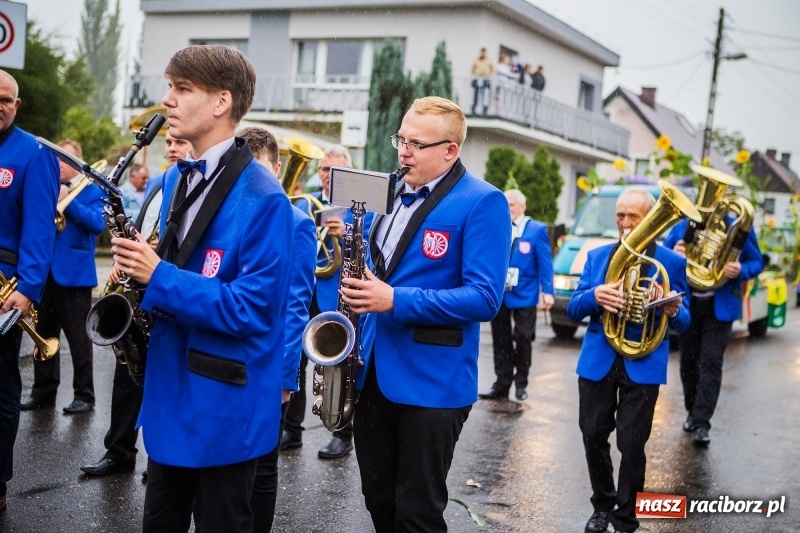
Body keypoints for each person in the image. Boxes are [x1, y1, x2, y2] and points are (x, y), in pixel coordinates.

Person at [110, 44, 294, 532]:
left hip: (223, 405)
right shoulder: (175, 179)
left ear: (221, 103)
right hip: (171, 396)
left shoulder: (265, 198)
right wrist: (136, 269)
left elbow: (253, 309)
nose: (167, 99)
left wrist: (159, 275)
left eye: (182, 88)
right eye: (169, 86)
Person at [339, 96, 511, 531]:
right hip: (371, 369)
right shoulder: (386, 190)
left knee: (417, 513)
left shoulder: (483, 201)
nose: (403, 152)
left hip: (433, 382)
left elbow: (484, 298)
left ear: (450, 150)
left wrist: (395, 299)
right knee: (377, 500)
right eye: (401, 139)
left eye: (417, 144)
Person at [566, 188, 690, 533]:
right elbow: (574, 310)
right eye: (620, 215)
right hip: (598, 360)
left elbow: (684, 321)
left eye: (632, 216)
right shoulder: (597, 256)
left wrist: (671, 308)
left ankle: (625, 516)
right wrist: (594, 296)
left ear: (649, 219)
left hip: (644, 362)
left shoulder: (672, 263)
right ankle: (602, 505)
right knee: (592, 435)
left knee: (632, 445)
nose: (624, 222)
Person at [79, 135, 193, 478]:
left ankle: (161, 458)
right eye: (170, 142)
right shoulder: (159, 183)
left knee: (166, 376)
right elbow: (139, 230)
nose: (172, 147)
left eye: (180, 142)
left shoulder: (196, 187)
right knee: (128, 369)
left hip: (167, 290)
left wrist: (149, 257)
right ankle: (119, 451)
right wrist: (124, 258)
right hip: (136, 290)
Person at [236, 126, 315, 532]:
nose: (254, 177)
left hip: (268, 365)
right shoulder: (228, 210)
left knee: (262, 467)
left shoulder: (298, 223)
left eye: (261, 168)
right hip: (226, 358)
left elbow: (295, 305)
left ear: (278, 168)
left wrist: (286, 376)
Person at [0, 69, 60, 513]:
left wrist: (28, 288)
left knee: (0, 389)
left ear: (16, 106)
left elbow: (40, 229)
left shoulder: (33, 154)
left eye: (6, 100)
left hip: (5, 288)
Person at [282, 144, 363, 460]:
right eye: (325, 169)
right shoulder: (307, 201)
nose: (328, 175)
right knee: (297, 360)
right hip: (306, 292)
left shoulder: (360, 207)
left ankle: (343, 433)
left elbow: (369, 249)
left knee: (339, 364)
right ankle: (292, 430)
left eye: (335, 170)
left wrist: (345, 233)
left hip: (337, 297)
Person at [663, 209, 763, 447]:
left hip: (720, 307)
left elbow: (757, 261)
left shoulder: (737, 229)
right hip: (689, 303)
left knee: (710, 362)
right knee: (688, 360)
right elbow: (660, 255)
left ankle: (701, 423)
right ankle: (692, 411)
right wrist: (673, 254)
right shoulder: (684, 225)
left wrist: (741, 270)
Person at [20, 140, 105, 415]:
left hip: (75, 276)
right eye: (55, 161)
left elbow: (98, 224)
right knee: (43, 336)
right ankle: (43, 392)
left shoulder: (91, 190)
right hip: (45, 275)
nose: (57, 166)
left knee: (79, 339)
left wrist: (66, 202)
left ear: (75, 162)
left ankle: (84, 395)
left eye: (62, 160)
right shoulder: (47, 187)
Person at [480, 189, 554, 401]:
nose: (508, 209)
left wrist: (547, 291)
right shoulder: (497, 226)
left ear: (522, 207)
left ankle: (521, 382)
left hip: (525, 293)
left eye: (511, 205)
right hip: (499, 293)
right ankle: (502, 383)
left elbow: (545, 263)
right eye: (506, 205)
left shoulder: (536, 229)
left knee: (523, 336)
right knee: (500, 339)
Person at [470, 47, 494, 116]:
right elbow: (472, 69)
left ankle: (485, 110)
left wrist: (489, 76)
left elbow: (492, 70)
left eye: (484, 52)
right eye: (482, 52)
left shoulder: (489, 60)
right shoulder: (476, 60)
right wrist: (475, 75)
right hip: (478, 78)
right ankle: (474, 109)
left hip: (485, 79)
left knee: (485, 95)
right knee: (476, 95)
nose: (483, 54)